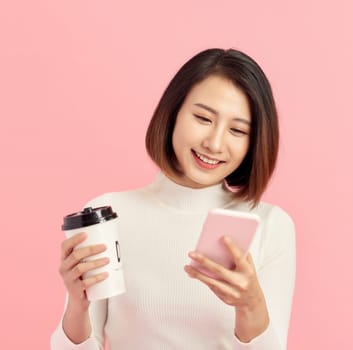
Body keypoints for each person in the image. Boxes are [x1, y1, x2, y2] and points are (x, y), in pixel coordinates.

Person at [50, 48, 296, 349]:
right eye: (203, 118)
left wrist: (251, 305)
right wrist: (77, 305)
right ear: (173, 113)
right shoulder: (109, 217)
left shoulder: (270, 225)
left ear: (253, 142)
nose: (215, 143)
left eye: (237, 130)